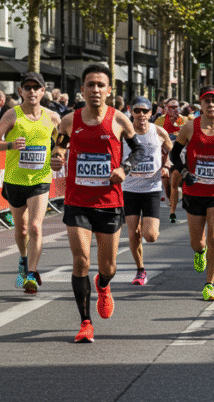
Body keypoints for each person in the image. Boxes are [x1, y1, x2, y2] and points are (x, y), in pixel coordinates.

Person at [51, 64, 148, 343]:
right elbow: (58, 147)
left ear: (108, 90)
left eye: (100, 85)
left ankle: (103, 285)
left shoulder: (119, 119)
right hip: (77, 201)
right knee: (81, 260)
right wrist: (57, 157)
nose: (95, 89)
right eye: (90, 85)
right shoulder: (68, 121)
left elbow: (139, 150)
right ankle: (85, 323)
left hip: (109, 202)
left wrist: (124, 169)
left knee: (109, 267)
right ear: (82, 90)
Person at [0, 72, 61, 294]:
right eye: (27, 88)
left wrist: (58, 157)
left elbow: (61, 143)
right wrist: (10, 145)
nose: (32, 91)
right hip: (15, 179)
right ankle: (23, 259)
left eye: (36, 88)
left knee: (36, 227)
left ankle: (31, 273)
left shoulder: (52, 117)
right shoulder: (12, 115)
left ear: (43, 91)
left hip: (40, 179)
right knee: (21, 231)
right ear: (20, 91)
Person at [170, 86, 214, 301]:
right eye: (206, 100)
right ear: (200, 104)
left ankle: (209, 284)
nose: (210, 104)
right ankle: (200, 252)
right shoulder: (190, 127)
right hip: (194, 190)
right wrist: (184, 172)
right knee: (197, 243)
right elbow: (174, 154)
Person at [123, 97, 172, 286]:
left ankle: (147, 224)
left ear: (151, 113)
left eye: (145, 111)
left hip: (151, 188)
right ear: (131, 111)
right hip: (129, 188)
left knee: (150, 236)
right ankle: (140, 270)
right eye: (137, 110)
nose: (141, 114)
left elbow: (171, 151)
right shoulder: (124, 132)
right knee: (133, 232)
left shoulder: (158, 132)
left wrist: (166, 165)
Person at [155, 98, 187, 223]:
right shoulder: (160, 120)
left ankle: (173, 211)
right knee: (166, 182)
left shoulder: (183, 119)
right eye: (171, 107)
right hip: (165, 154)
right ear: (166, 109)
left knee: (175, 182)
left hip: (179, 155)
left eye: (176, 107)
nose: (174, 110)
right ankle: (170, 201)